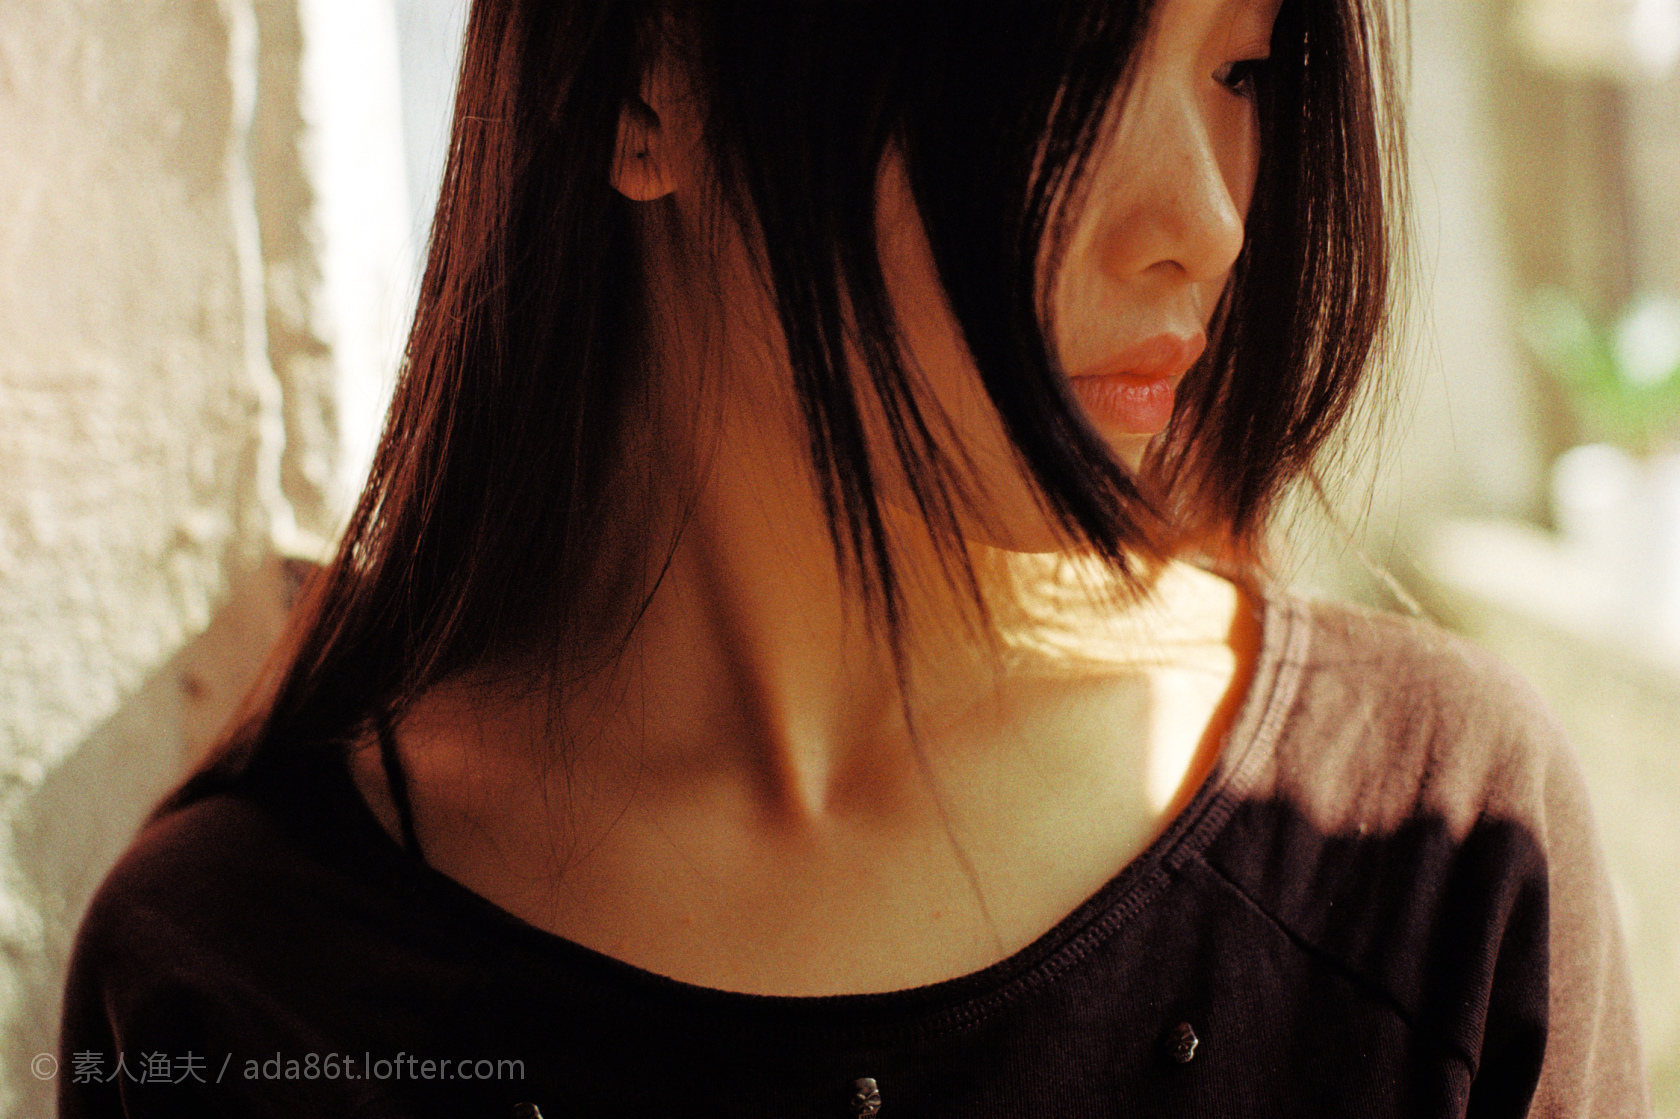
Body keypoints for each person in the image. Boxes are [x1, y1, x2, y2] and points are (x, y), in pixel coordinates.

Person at [59, 0, 1649, 1115]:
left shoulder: (1433, 845)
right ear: (646, 82)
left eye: (1244, 66)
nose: (1208, 221)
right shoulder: (237, 983)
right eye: (1073, 68)